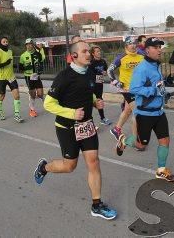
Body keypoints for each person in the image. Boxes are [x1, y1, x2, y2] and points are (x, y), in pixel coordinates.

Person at [33, 40, 117, 220]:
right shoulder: (64, 76)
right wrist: (71, 113)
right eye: (85, 51)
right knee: (69, 166)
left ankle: (96, 205)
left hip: (87, 125)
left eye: (90, 51)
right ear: (74, 56)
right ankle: (44, 167)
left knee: (93, 161)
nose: (89, 54)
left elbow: (89, 91)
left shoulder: (90, 73)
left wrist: (95, 101)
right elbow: (49, 103)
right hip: (67, 127)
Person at [116, 37, 174, 181]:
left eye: (160, 47)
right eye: (156, 47)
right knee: (141, 144)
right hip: (145, 114)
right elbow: (134, 88)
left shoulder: (155, 65)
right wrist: (155, 91)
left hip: (159, 112)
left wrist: (165, 83)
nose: (159, 50)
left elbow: (156, 84)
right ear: (147, 50)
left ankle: (161, 170)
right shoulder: (142, 68)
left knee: (165, 141)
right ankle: (124, 141)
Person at [107, 36, 144, 151]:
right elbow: (109, 70)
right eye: (130, 44)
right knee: (137, 113)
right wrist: (115, 81)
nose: (133, 45)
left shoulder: (142, 56)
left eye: (134, 43)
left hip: (138, 89)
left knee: (127, 110)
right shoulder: (121, 57)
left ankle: (116, 129)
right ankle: (136, 140)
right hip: (126, 89)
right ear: (126, 46)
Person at [0, 36, 23, 122]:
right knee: (2, 96)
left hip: (11, 77)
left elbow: (10, 64)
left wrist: (17, 66)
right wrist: (5, 63)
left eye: (6, 41)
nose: (6, 43)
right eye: (4, 42)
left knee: (17, 95)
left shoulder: (10, 51)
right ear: (0, 43)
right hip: (1, 78)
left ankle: (17, 114)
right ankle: (0, 111)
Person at [19, 38, 45, 117]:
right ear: (25, 46)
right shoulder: (23, 55)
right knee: (33, 94)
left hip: (36, 76)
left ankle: (42, 100)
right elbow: (20, 68)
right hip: (28, 76)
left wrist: (41, 49)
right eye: (27, 45)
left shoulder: (37, 53)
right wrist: (28, 67)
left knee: (40, 94)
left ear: (33, 45)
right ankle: (32, 109)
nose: (29, 46)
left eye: (30, 44)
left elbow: (43, 58)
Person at [88, 45, 112, 125]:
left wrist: (105, 73)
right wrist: (99, 75)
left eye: (99, 51)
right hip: (92, 84)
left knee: (99, 100)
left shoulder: (103, 61)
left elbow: (105, 70)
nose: (99, 53)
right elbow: (90, 75)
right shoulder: (91, 63)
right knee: (90, 101)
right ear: (93, 53)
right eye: (97, 51)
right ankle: (88, 120)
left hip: (100, 83)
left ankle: (102, 118)